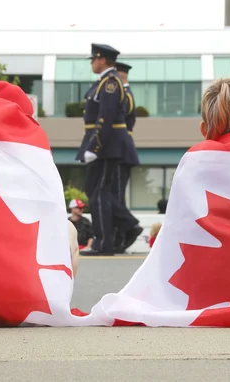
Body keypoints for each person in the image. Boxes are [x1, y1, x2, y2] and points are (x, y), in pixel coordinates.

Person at [75, 43, 142, 256]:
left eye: (94, 59)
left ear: (102, 59)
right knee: (96, 192)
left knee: (101, 194)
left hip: (106, 145)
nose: (92, 63)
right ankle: (114, 233)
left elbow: (106, 116)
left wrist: (95, 146)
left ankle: (104, 243)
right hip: (104, 144)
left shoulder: (110, 83)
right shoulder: (104, 82)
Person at [113, 61, 140, 253]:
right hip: (122, 148)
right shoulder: (123, 93)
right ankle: (120, 235)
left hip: (122, 149)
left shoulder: (125, 94)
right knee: (115, 195)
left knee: (115, 195)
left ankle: (129, 226)